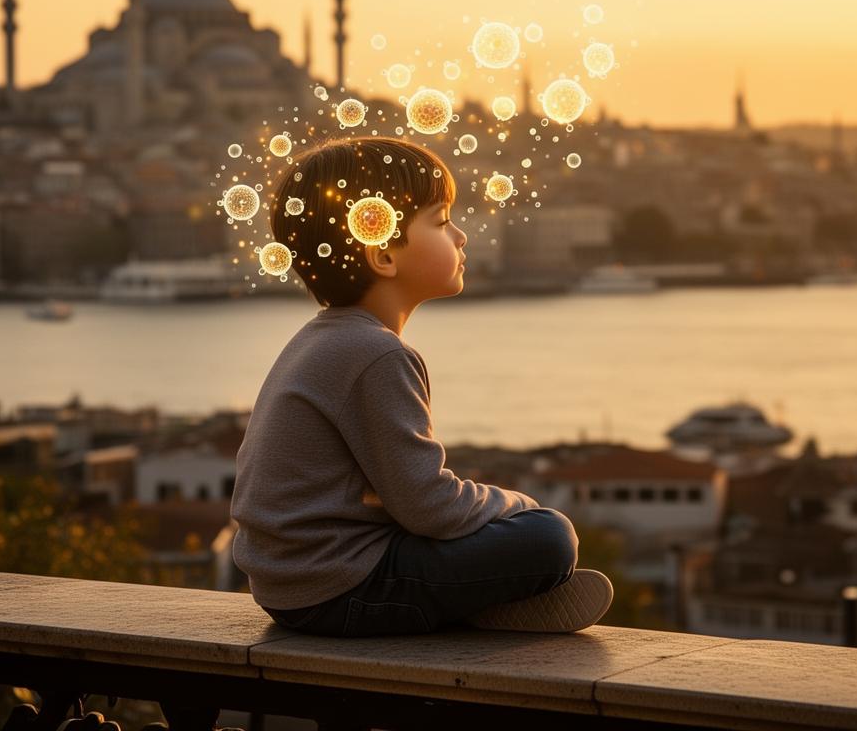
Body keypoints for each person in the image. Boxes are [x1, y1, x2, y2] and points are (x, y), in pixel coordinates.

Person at [230, 134, 613, 636]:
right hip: (343, 590)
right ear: (384, 254)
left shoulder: (319, 340)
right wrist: (519, 505)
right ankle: (475, 602)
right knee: (550, 537)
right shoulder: (377, 353)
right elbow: (429, 506)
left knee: (520, 534)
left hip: (290, 589)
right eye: (441, 221)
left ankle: (467, 601)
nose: (461, 236)